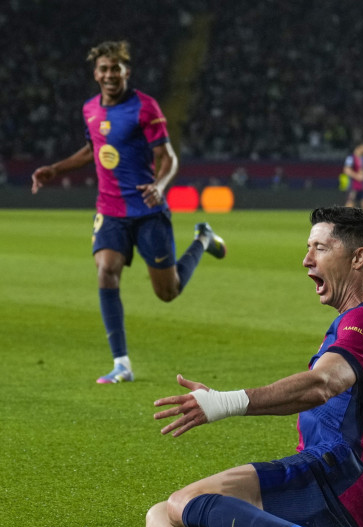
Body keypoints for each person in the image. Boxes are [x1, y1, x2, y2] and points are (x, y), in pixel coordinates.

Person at [147, 206, 363, 527]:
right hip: (323, 472)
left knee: (184, 502)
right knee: (161, 518)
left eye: (320, 248)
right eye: (308, 248)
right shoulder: (355, 320)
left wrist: (223, 402)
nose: (307, 260)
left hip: (338, 477)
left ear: (358, 258)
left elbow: (321, 384)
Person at [31, 40, 227, 384]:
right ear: (96, 74)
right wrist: (55, 169)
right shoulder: (90, 109)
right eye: (104, 69)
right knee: (106, 270)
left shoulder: (144, 107)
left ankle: (203, 239)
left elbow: (169, 157)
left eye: (116, 69)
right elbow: (93, 148)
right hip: (110, 210)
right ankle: (121, 363)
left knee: (167, 292)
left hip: (147, 210)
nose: (110, 75)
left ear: (126, 72)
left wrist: (160, 186)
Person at [343, 142, 363, 211]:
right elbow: (346, 170)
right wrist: (356, 176)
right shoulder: (350, 158)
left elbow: (362, 172)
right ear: (359, 147)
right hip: (353, 186)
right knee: (350, 206)